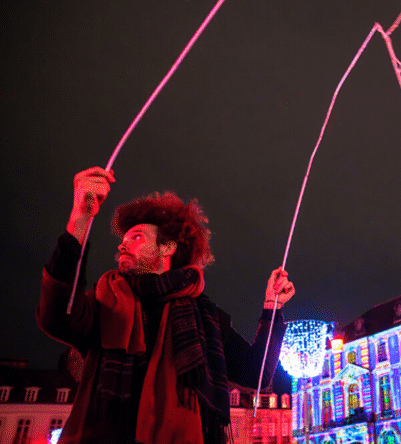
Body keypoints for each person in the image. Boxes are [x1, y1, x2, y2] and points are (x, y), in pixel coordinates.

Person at [37, 167, 296, 444]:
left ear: (167, 248)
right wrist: (80, 220)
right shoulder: (105, 300)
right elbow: (56, 316)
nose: (123, 246)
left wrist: (272, 306)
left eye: (136, 237)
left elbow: (255, 373)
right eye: (122, 241)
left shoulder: (207, 316)